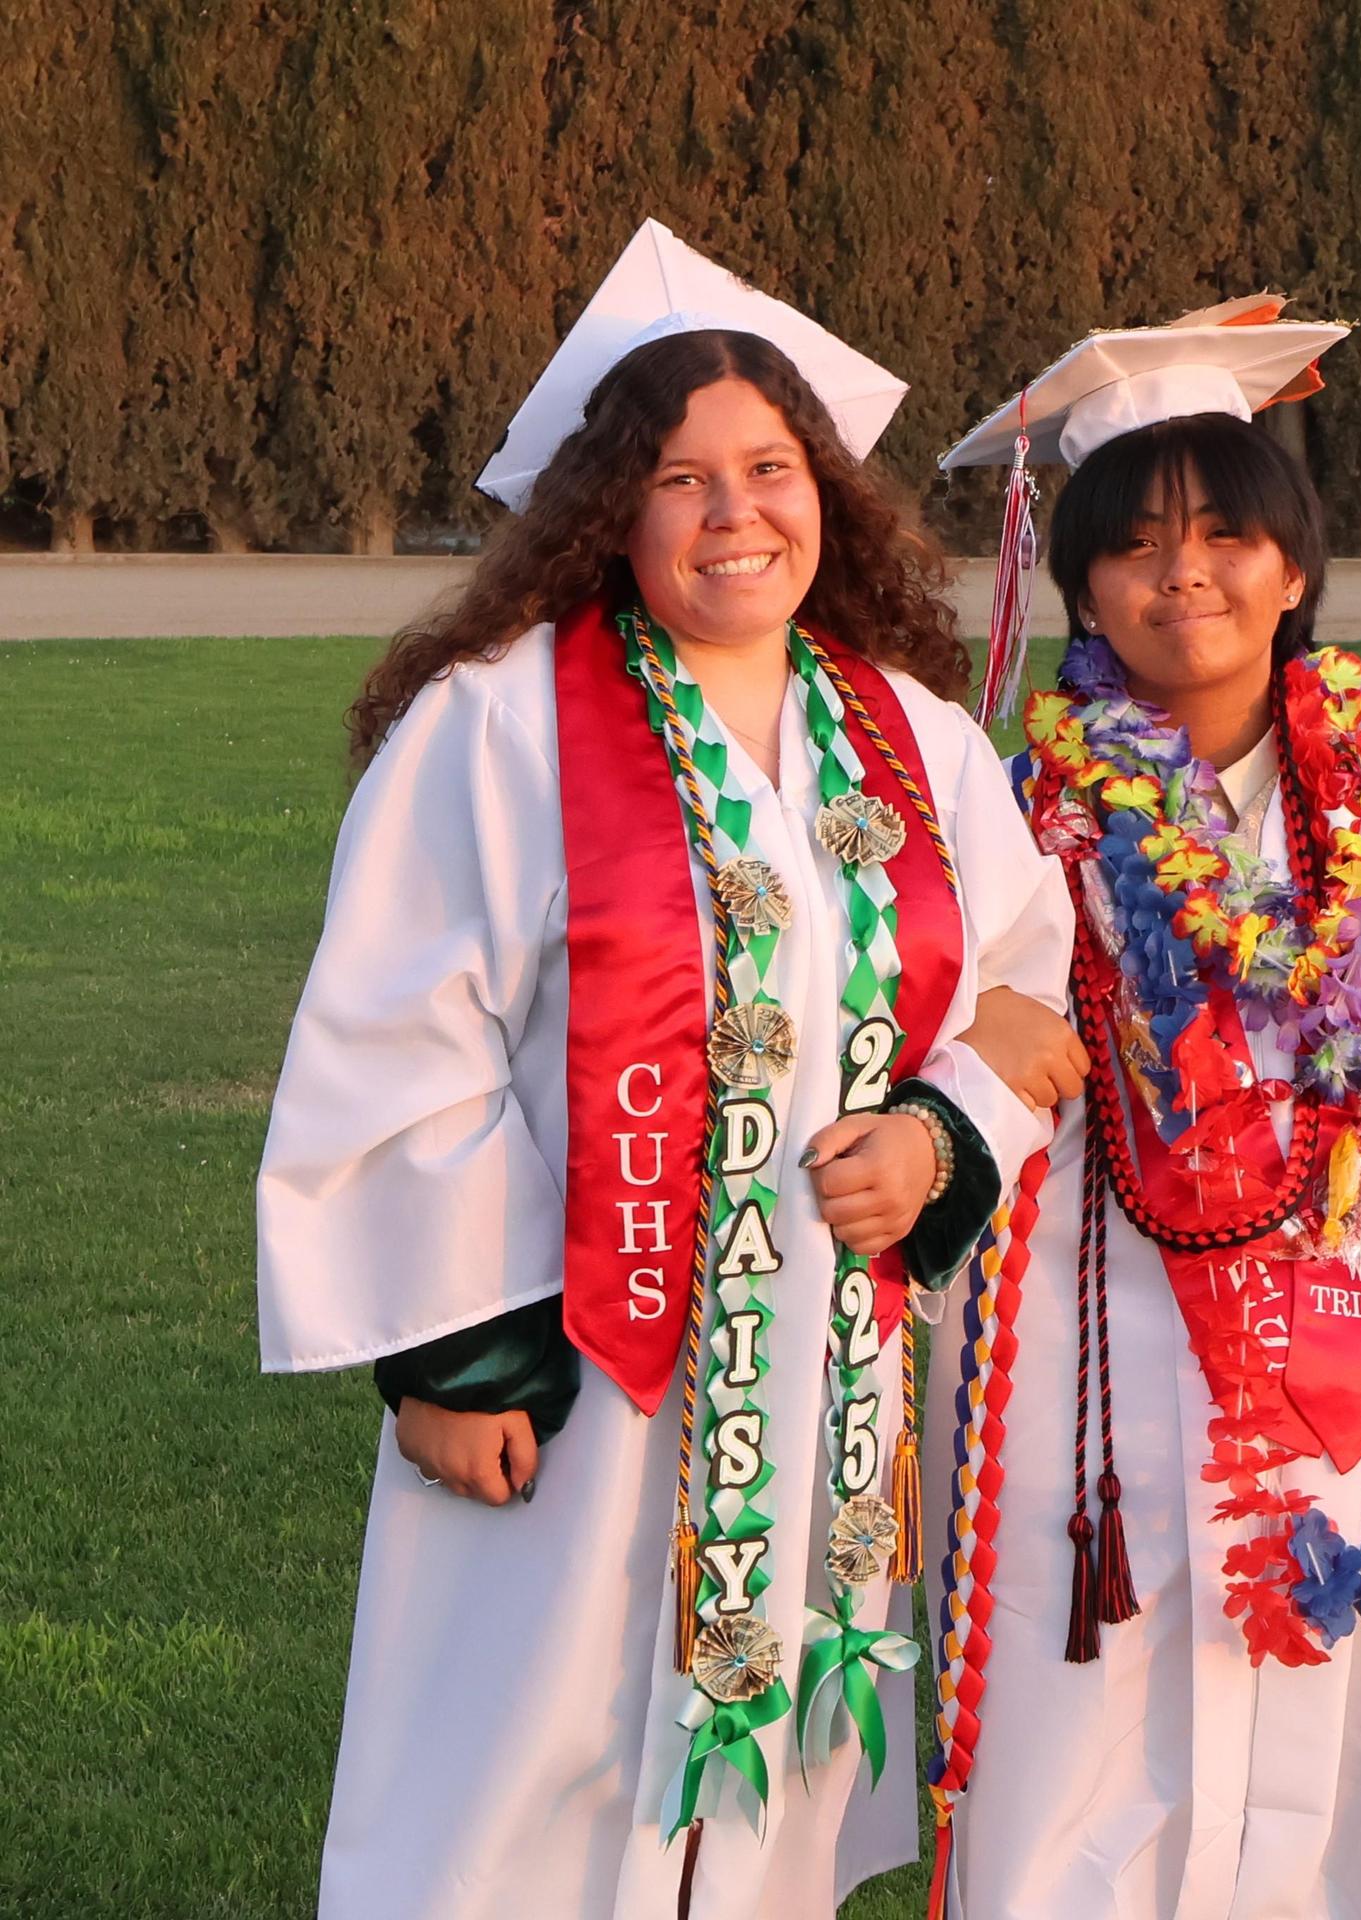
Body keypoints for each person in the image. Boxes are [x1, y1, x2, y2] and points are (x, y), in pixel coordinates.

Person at [255, 222, 1071, 1920]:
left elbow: (1017, 994)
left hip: (819, 1396)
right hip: (579, 1384)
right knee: (512, 1792)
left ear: (823, 494)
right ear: (608, 508)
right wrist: (452, 1362)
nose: (734, 515)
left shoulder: (911, 738)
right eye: (682, 478)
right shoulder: (496, 726)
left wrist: (937, 1137)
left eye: (770, 470)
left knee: (764, 1808)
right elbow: (401, 1044)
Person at [923, 303, 1361, 1919]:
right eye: (1138, 543)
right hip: (1094, 1353)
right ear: (1082, 584)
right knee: (1086, 1747)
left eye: (1229, 532)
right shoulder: (1015, 819)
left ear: (1294, 568)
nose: (1187, 574)